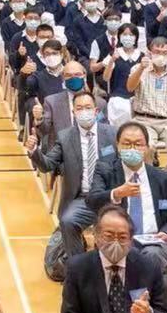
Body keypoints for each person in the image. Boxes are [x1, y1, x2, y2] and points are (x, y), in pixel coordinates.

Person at [84, 121, 167, 274]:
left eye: (138, 144)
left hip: (154, 245)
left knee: (151, 257)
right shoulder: (105, 171)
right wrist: (116, 193)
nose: (132, 149)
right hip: (117, 242)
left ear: (147, 147)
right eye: (126, 144)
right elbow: (92, 201)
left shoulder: (162, 179)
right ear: (117, 146)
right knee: (137, 262)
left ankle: (142, 288)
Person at [27, 89, 113, 252]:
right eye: (79, 108)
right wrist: (34, 151)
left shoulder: (112, 134)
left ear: (96, 111)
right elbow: (47, 165)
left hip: (109, 198)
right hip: (81, 199)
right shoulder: (65, 137)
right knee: (68, 221)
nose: (84, 112)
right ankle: (77, 264)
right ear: (74, 113)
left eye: (88, 107)